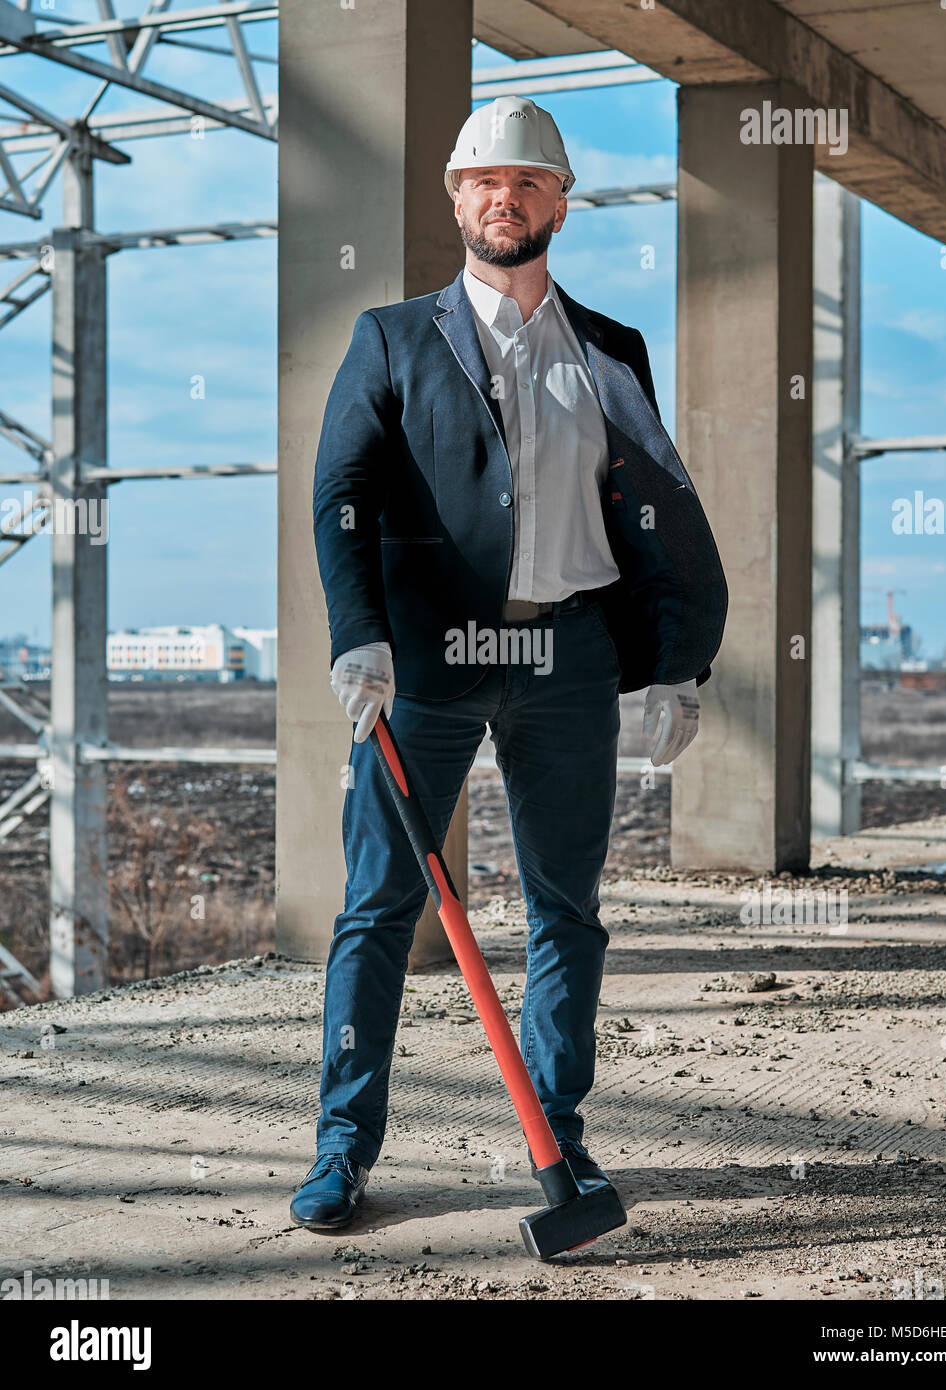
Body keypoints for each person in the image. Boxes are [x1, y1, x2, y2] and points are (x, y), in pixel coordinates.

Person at [292, 95, 727, 1231]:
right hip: (426, 662)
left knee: (563, 912)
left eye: (526, 182)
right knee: (379, 907)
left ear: (558, 204)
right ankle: (341, 1148)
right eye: (483, 180)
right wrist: (359, 633)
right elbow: (340, 494)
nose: (503, 197)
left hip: (566, 653)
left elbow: (655, 515)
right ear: (456, 198)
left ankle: (557, 1138)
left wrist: (675, 660)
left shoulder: (609, 350)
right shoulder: (390, 338)